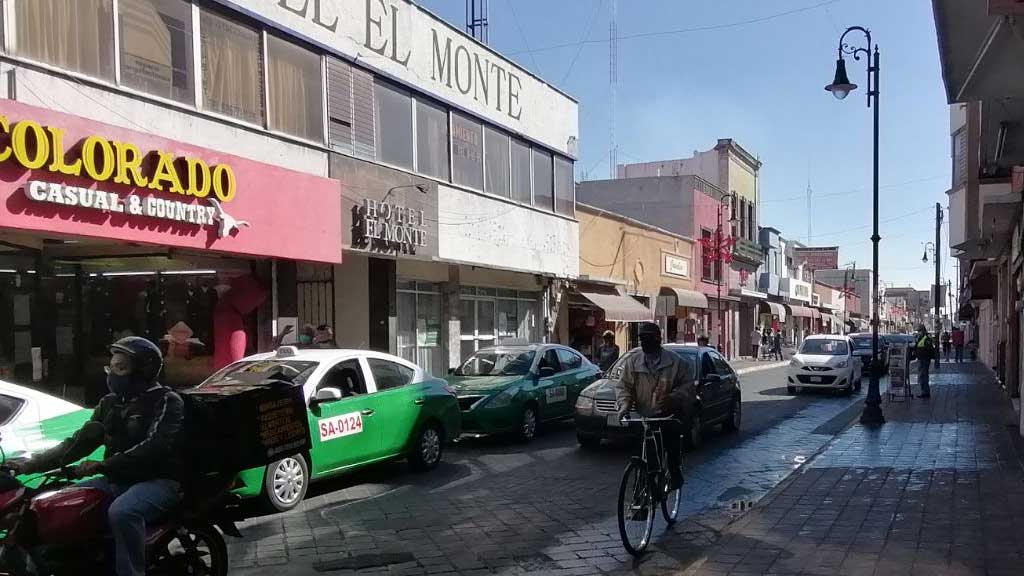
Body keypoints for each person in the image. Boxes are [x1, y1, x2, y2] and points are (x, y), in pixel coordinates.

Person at [10, 337, 184, 576]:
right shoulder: (110, 403)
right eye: (110, 368)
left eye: (121, 368)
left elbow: (154, 446)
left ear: (143, 370)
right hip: (115, 480)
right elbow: (76, 444)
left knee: (123, 512)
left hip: (158, 481)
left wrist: (102, 465)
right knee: (58, 502)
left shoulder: (166, 401)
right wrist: (28, 465)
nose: (112, 375)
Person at [615, 322, 695, 490]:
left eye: (648, 338)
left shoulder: (676, 362)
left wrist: (673, 398)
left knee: (670, 443)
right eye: (641, 338)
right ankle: (642, 494)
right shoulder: (633, 362)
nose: (644, 342)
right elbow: (624, 387)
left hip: (667, 416)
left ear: (658, 339)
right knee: (641, 454)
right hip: (643, 415)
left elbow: (688, 387)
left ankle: (674, 473)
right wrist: (624, 405)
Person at [914, 325, 936, 398]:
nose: (918, 333)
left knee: (924, 376)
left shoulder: (926, 338)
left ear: (923, 331)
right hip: (921, 359)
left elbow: (928, 349)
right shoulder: (921, 338)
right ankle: (924, 391)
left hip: (924, 360)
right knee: (922, 376)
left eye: (919, 331)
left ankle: (925, 392)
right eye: (918, 331)